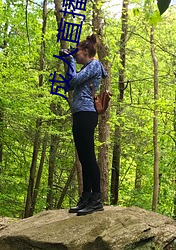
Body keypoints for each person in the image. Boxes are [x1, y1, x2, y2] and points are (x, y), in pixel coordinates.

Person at [65, 34, 108, 216]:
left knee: (89, 157)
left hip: (87, 113)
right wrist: (70, 64)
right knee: (83, 157)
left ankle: (96, 200)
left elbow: (73, 81)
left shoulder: (94, 65)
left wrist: (70, 62)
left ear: (86, 52)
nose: (76, 56)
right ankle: (87, 197)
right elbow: (70, 85)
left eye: (78, 53)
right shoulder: (87, 67)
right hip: (79, 113)